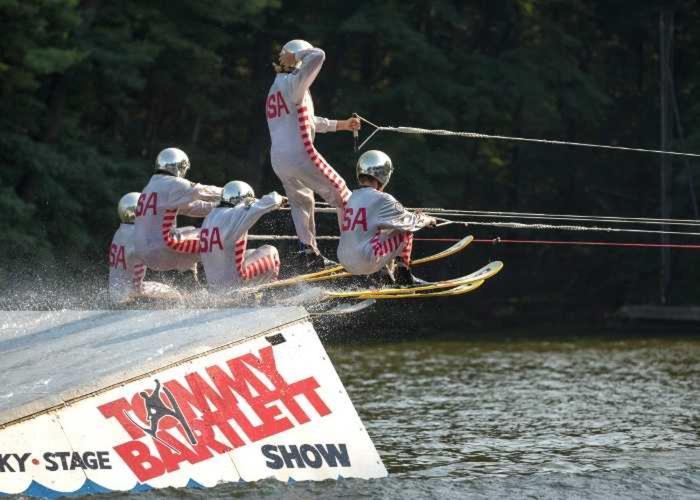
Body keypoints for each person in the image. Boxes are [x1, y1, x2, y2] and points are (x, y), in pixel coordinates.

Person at [266, 39, 360, 270]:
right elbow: (319, 55)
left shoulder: (276, 88)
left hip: (278, 159)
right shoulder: (293, 84)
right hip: (300, 153)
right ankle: (355, 251)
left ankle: (309, 253)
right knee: (342, 193)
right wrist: (299, 55)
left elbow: (308, 121)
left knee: (302, 202)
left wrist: (342, 125)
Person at [337, 150, 437, 285]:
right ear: (384, 175)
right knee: (405, 231)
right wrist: (427, 219)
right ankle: (404, 275)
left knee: (379, 230)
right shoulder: (382, 199)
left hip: (344, 260)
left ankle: (385, 274)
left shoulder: (350, 198)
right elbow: (409, 222)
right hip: (366, 260)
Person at [133, 147, 222, 279]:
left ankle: (189, 279)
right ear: (178, 167)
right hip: (162, 248)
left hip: (143, 251)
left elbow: (191, 208)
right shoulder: (173, 184)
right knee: (217, 241)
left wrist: (218, 207)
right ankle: (225, 286)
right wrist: (233, 195)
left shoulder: (150, 187)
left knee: (192, 231)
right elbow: (204, 191)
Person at [200, 181, 285, 293]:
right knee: (271, 250)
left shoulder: (210, 217)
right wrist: (281, 200)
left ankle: (252, 291)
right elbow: (270, 201)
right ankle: (269, 293)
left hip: (215, 286)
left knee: (251, 252)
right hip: (236, 282)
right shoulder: (235, 214)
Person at [108, 192, 182, 305]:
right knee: (175, 295)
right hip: (130, 292)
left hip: (116, 291)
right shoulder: (135, 235)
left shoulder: (121, 232)